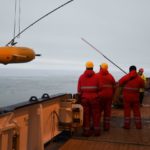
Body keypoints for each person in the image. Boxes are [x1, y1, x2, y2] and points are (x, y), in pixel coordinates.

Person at [77, 61, 100, 136]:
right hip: (95, 99)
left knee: (86, 115)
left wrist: (80, 99)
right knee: (95, 115)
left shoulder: (81, 77)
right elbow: (100, 88)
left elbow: (79, 91)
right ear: (92, 67)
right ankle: (96, 131)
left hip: (85, 99)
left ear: (86, 67)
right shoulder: (97, 77)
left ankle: (86, 131)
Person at [96, 63, 116, 131]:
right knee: (107, 112)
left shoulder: (96, 76)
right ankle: (106, 127)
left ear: (101, 68)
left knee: (97, 112)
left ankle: (97, 126)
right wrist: (112, 95)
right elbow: (114, 87)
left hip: (99, 97)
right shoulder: (111, 76)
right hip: (109, 97)